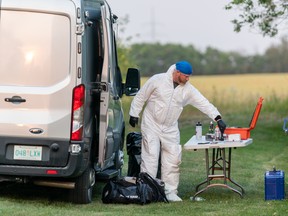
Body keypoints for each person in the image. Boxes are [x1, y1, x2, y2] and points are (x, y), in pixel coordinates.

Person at [129, 61, 226, 202]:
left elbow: (203, 102)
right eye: (186, 76)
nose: (188, 79)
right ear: (177, 73)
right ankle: (148, 190)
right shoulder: (158, 80)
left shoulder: (188, 89)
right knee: (150, 157)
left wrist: (218, 118)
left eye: (189, 76)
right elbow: (141, 96)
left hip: (170, 127)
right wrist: (134, 114)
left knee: (173, 159)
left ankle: (170, 192)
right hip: (151, 124)